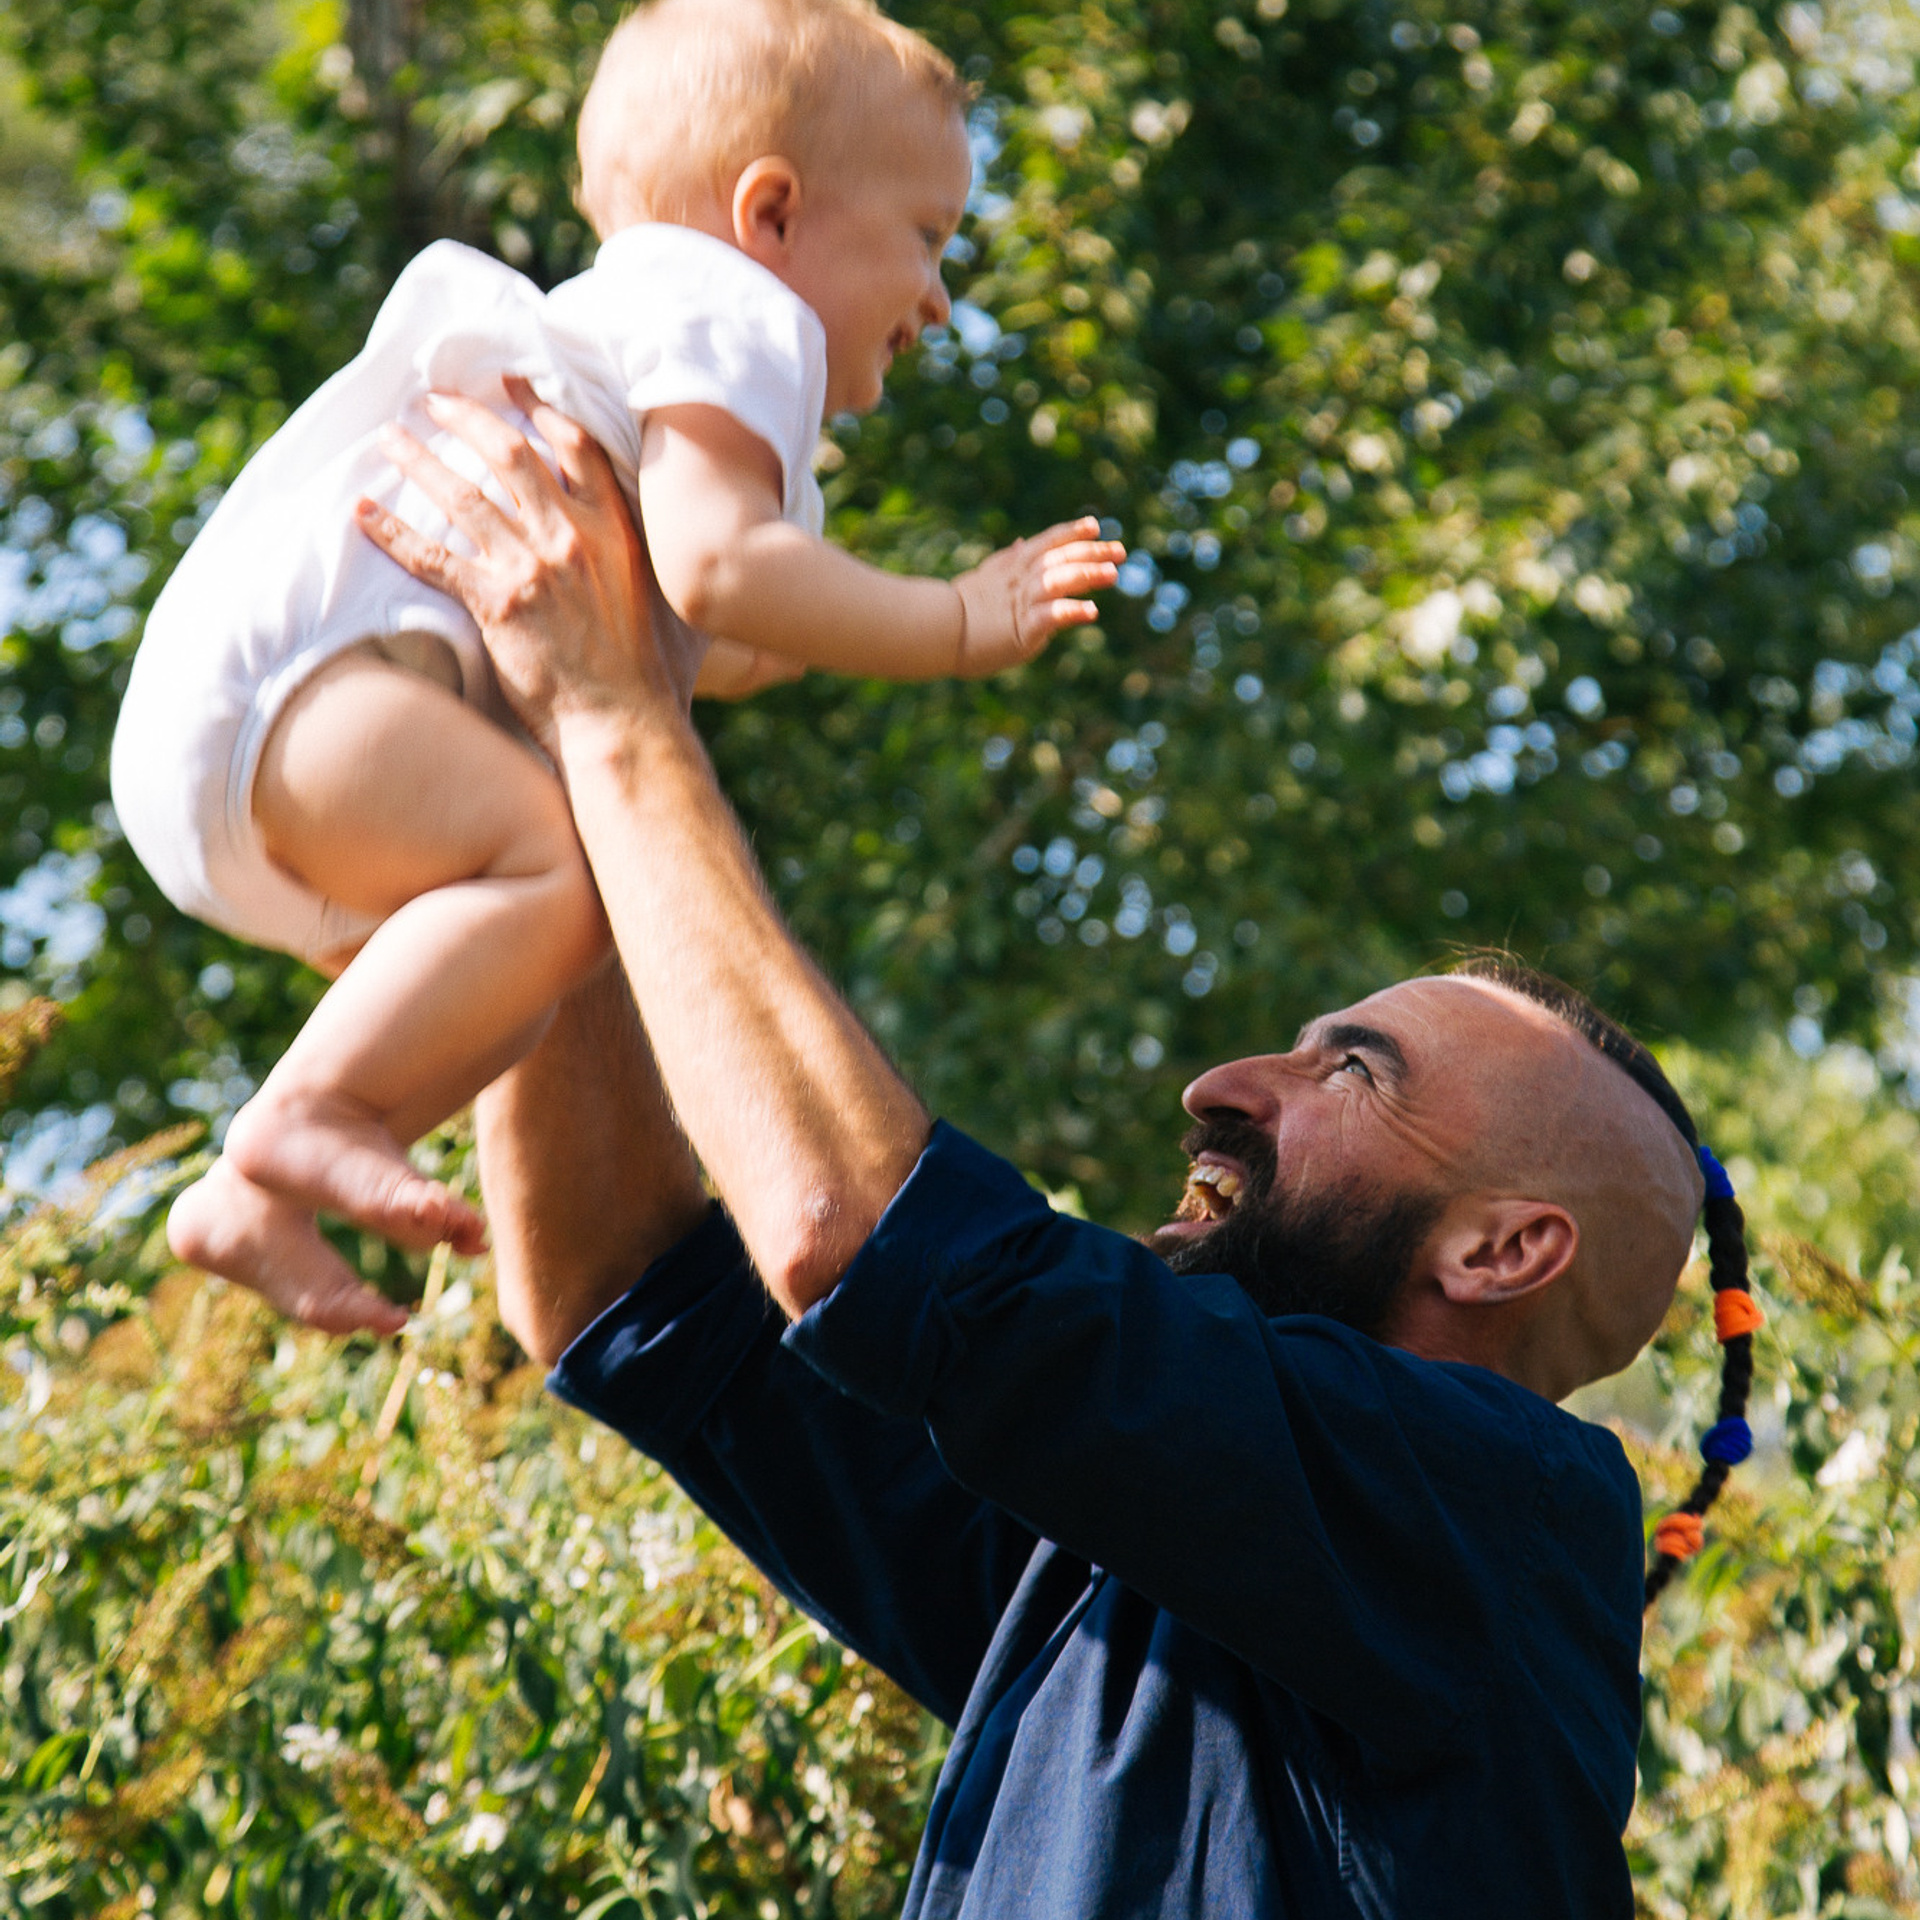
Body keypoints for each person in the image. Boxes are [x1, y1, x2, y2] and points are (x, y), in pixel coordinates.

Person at [335, 387, 1764, 1915]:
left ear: (1499, 1251)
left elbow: (863, 1245)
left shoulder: (1506, 1512)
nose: (1224, 1083)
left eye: (1350, 1069)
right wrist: (536, 756)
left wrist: (620, 715)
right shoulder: (1116, 1574)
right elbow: (628, 1290)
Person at [108, 0, 1122, 1328]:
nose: (940, 293)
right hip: (308, 695)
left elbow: (707, 630)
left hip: (261, 734)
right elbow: (717, 572)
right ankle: (305, 1120)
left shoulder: (649, 348)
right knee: (571, 882)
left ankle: (266, 1184)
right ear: (771, 214)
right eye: (927, 238)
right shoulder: (738, 313)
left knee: (528, 956)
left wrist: (779, 635)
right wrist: (952, 620)